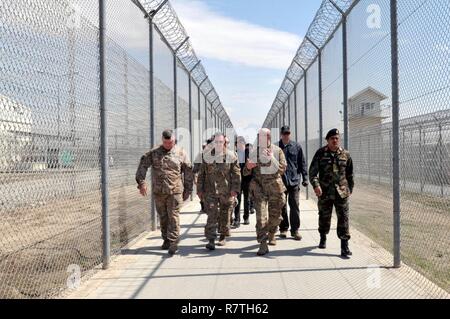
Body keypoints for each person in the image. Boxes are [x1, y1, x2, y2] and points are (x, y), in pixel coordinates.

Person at [136, 129, 193, 256]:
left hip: (175, 191)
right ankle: (166, 239)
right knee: (163, 217)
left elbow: (188, 171)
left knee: (173, 216)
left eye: (171, 142)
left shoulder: (181, 152)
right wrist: (141, 183)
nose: (168, 145)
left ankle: (173, 242)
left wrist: (188, 189)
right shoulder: (154, 153)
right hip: (159, 192)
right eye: (166, 142)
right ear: (162, 140)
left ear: (174, 140)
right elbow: (143, 165)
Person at [309, 128, 354, 258]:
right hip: (325, 192)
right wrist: (316, 186)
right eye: (332, 138)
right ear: (327, 140)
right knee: (324, 216)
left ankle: (344, 246)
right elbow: (312, 172)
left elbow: (350, 174)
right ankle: (323, 237)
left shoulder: (346, 154)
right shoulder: (320, 153)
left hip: (342, 193)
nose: (335, 140)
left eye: (337, 138)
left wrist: (350, 189)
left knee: (344, 218)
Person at [244, 129, 286, 256]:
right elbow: (245, 173)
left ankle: (272, 233)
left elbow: (282, 170)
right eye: (259, 136)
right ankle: (263, 243)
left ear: (269, 137)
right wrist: (248, 167)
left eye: (264, 136)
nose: (261, 138)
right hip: (259, 189)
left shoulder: (278, 151)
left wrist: (272, 158)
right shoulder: (253, 152)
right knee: (261, 218)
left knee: (275, 217)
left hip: (275, 188)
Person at [197, 132, 241, 250]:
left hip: (226, 191)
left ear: (224, 143)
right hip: (210, 191)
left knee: (225, 214)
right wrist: (199, 190)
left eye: (221, 142)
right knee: (212, 214)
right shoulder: (206, 156)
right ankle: (211, 239)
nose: (218, 144)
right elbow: (201, 174)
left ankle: (222, 236)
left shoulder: (232, 156)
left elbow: (236, 174)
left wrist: (235, 190)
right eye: (216, 142)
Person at [278, 126, 308, 241]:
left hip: (294, 181)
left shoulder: (296, 146)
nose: (286, 135)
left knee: (295, 205)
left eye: (288, 133)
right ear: (281, 134)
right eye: (284, 133)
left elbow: (302, 163)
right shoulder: (276, 148)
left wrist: (305, 178)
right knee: (282, 205)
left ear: (290, 134)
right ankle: (283, 228)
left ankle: (295, 230)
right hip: (281, 182)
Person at [232, 136, 252, 228]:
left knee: (247, 199)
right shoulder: (234, 154)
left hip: (247, 179)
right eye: (238, 143)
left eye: (241, 142)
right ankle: (237, 219)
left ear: (244, 144)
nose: (239, 144)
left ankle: (246, 217)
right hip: (237, 180)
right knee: (237, 199)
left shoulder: (248, 153)